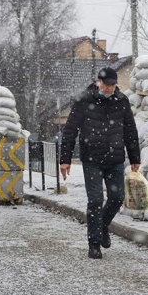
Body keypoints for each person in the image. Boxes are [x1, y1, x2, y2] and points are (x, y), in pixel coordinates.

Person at [60, 66, 140, 259]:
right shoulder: (84, 100)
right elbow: (70, 130)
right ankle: (94, 243)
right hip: (92, 159)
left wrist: (135, 158)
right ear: (99, 82)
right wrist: (65, 159)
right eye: (106, 85)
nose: (109, 89)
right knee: (95, 201)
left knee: (117, 198)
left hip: (115, 159)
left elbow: (130, 131)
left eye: (113, 85)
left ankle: (102, 227)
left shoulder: (121, 101)